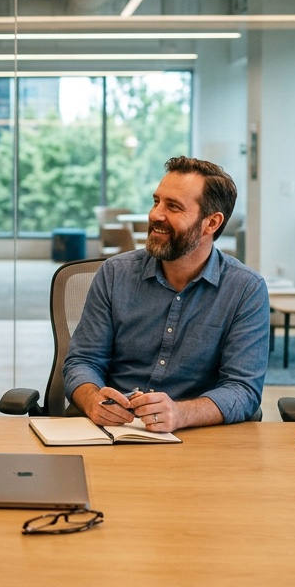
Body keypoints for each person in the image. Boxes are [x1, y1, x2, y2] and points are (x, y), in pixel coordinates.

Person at [63, 157, 271, 433]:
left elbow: (243, 389)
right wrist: (91, 399)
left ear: (211, 223)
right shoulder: (114, 273)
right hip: (111, 430)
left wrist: (180, 413)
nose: (155, 215)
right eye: (156, 201)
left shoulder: (246, 289)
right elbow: (83, 361)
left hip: (194, 439)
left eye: (173, 206)